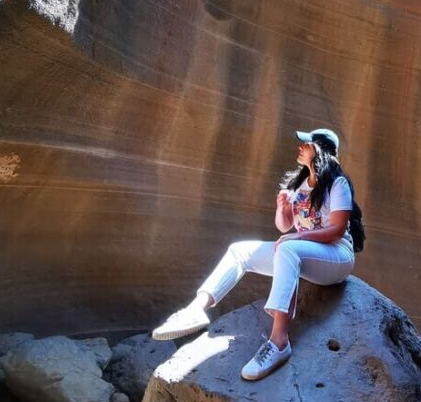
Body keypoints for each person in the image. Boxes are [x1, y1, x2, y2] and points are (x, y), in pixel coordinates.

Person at [152, 128, 358, 381]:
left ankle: (279, 341)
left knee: (288, 248)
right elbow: (285, 227)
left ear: (320, 150)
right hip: (303, 252)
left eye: (307, 144)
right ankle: (195, 310)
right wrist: (282, 209)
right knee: (240, 251)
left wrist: (297, 237)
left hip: (337, 256)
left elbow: (337, 230)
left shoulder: (337, 183)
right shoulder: (302, 184)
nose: (301, 147)